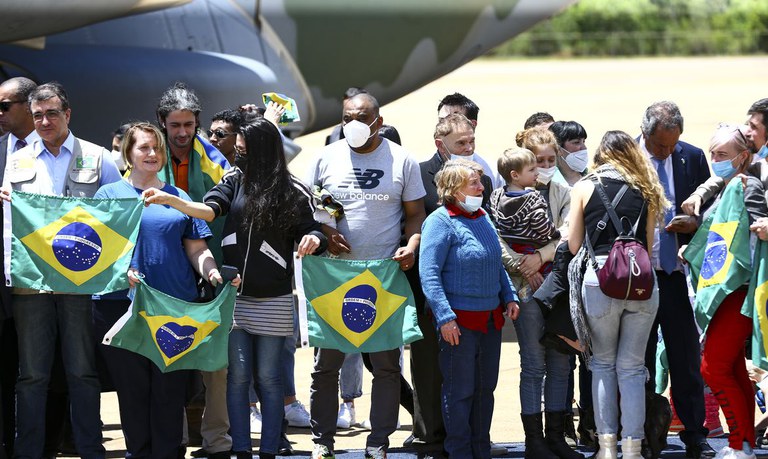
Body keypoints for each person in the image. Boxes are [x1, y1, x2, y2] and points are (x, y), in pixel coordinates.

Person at [144, 117, 326, 459]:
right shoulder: (233, 180)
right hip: (235, 295)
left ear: (261, 150)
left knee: (270, 379)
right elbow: (210, 212)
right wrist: (176, 202)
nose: (237, 155)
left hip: (274, 298)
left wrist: (313, 238)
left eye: (243, 150)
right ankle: (241, 449)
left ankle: (270, 449)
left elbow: (314, 229)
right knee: (237, 378)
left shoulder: (293, 189)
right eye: (236, 150)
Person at [92, 121, 228, 459]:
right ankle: (138, 454)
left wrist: (212, 273)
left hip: (174, 309)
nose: (152, 154)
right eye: (143, 148)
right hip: (120, 308)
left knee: (170, 392)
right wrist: (121, 271)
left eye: (156, 148)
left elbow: (197, 249)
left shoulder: (178, 197)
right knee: (133, 392)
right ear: (128, 153)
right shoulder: (107, 196)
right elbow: (96, 253)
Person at [1, 82, 122, 459]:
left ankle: (90, 450)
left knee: (82, 372)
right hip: (30, 283)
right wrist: (9, 269)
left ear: (68, 114)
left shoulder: (98, 157)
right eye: (37, 115)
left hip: (79, 283)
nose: (45, 122)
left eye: (52, 113)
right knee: (32, 375)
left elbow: (120, 213)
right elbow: (9, 223)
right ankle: (29, 452)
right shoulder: (17, 160)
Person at [306, 92, 426, 459]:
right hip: (334, 278)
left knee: (387, 367)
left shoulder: (402, 159)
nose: (353, 123)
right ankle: (322, 441)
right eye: (347, 117)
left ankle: (378, 443)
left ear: (378, 119)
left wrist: (413, 243)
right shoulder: (325, 157)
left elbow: (415, 214)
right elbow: (314, 209)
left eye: (361, 116)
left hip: (383, 277)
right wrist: (326, 233)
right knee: (326, 366)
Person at [568, 131, 668, 459]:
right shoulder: (648, 188)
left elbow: (572, 245)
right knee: (633, 368)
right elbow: (650, 247)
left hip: (600, 280)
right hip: (641, 283)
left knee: (602, 364)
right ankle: (634, 447)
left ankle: (607, 447)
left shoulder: (584, 186)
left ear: (601, 154)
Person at [419, 158, 519, 459]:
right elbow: (429, 273)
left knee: (484, 389)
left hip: (490, 320)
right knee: (460, 391)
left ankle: (480, 449)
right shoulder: (439, 221)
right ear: (453, 189)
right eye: (473, 182)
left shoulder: (482, 216)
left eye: (480, 180)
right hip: (458, 324)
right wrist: (445, 317)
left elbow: (495, 262)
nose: (481, 186)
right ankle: (459, 451)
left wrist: (509, 295)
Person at [489, 140, 579, 459]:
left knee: (549, 361)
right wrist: (529, 264)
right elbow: (546, 236)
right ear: (519, 171)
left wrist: (531, 261)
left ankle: (549, 439)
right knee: (540, 360)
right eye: (535, 164)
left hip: (540, 284)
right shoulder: (521, 197)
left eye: (546, 161)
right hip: (535, 284)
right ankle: (538, 440)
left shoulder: (500, 196)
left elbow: (568, 235)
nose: (541, 169)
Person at [155, 82, 232, 456]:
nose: (183, 133)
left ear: (197, 122)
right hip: (164, 277)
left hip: (210, 269)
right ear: (162, 124)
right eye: (175, 125)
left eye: (188, 124)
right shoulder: (145, 158)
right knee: (169, 357)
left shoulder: (217, 162)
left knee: (215, 365)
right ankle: (177, 439)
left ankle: (218, 441)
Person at [637, 101, 715, 459]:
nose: (667, 151)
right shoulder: (628, 159)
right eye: (660, 145)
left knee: (685, 356)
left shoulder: (693, 157)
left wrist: (695, 226)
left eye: (672, 145)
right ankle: (642, 432)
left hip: (676, 276)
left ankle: (695, 434)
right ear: (645, 133)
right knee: (640, 358)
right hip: (637, 276)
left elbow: (712, 210)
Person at [683, 125, 766, 459]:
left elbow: (758, 226)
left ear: (742, 157)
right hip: (721, 291)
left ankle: (738, 444)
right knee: (730, 368)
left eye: (722, 155)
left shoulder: (749, 185)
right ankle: (742, 441)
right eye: (712, 153)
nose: (714, 160)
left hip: (739, 291)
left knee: (713, 368)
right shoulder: (724, 186)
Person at [0, 76, 37, 458]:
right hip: (3, 282)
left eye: (4, 106)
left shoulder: (59, 153)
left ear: (28, 106)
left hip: (43, 284)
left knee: (44, 373)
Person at [437, 92, 504, 188]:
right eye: (441, 121)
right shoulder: (419, 171)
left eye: (455, 119)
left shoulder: (491, 172)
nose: (445, 126)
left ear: (473, 124)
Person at [549, 121, 589, 187]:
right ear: (558, 149)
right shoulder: (549, 183)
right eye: (576, 142)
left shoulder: (593, 178)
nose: (584, 148)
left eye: (583, 142)